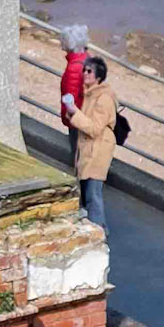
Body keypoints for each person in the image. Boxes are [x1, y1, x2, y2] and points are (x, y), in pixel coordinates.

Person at [63, 55, 117, 228]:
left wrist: (74, 113)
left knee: (93, 194)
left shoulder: (103, 99)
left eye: (89, 71)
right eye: (84, 70)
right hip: (91, 150)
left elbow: (94, 129)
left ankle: (99, 230)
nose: (85, 73)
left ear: (98, 76)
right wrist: (73, 113)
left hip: (97, 151)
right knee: (88, 192)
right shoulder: (90, 94)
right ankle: (95, 229)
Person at [58, 22, 89, 168]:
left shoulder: (73, 68)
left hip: (77, 119)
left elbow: (70, 96)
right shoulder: (87, 60)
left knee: (78, 154)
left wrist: (68, 116)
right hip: (88, 116)